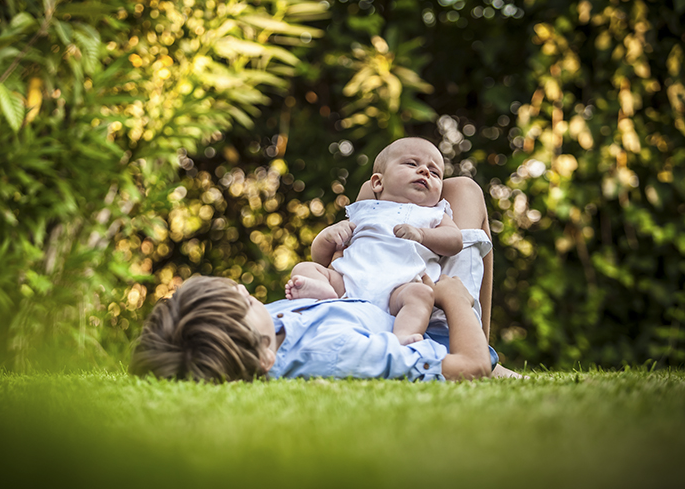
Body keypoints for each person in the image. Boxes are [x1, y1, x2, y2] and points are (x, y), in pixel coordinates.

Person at [130, 176, 512, 382]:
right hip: (433, 321)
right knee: (464, 191)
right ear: (265, 357)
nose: (246, 290)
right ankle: (490, 352)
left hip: (373, 298)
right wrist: (454, 299)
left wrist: (333, 270)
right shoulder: (337, 352)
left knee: (374, 193)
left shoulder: (262, 329)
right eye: (245, 300)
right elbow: (468, 366)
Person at [284, 137, 462, 345]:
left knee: (422, 294)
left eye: (435, 173)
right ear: (378, 183)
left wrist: (423, 235)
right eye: (412, 164)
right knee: (304, 268)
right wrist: (329, 235)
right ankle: (326, 296)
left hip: (400, 288)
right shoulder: (364, 209)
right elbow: (320, 258)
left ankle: (403, 336)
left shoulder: (435, 213)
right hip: (348, 282)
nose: (425, 171)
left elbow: (455, 241)